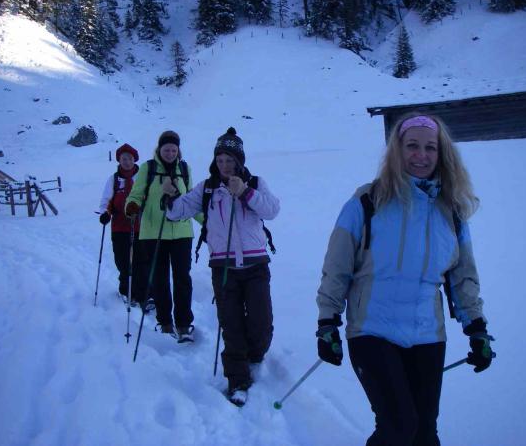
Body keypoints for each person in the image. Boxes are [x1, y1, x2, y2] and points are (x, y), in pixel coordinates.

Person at [315, 113, 495, 446]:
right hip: (372, 330)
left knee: (425, 433)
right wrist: (328, 321)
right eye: (412, 146)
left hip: (428, 335)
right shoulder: (367, 202)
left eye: (430, 148)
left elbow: (463, 276)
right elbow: (337, 265)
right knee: (398, 426)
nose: (421, 155)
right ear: (397, 150)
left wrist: (477, 328)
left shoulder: (451, 212)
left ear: (442, 154)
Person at [163, 127, 280, 406]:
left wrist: (246, 193)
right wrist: (168, 196)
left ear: (240, 161)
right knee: (231, 324)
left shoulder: (256, 182)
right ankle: (237, 380)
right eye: (220, 160)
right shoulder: (206, 188)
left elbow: (272, 210)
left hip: (255, 265)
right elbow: (177, 212)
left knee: (261, 324)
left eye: (230, 160)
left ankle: (255, 355)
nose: (225, 165)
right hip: (223, 267)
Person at [125, 131, 199, 341]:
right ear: (159, 149)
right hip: (152, 233)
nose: (170, 153)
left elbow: (192, 199)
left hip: (182, 233)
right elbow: (136, 195)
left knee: (183, 279)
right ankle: (165, 322)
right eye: (166, 149)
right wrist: (131, 206)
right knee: (160, 279)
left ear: (178, 150)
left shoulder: (185, 169)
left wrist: (208, 223)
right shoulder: (148, 169)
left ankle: (184, 323)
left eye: (173, 149)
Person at [98, 143, 147, 307]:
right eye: (123, 158)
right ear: (119, 160)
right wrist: (105, 213)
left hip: (141, 226)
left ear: (134, 160)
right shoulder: (113, 179)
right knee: (123, 260)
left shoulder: (142, 177)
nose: (127, 161)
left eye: (130, 158)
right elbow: (106, 200)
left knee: (141, 260)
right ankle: (126, 290)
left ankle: (142, 293)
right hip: (119, 227)